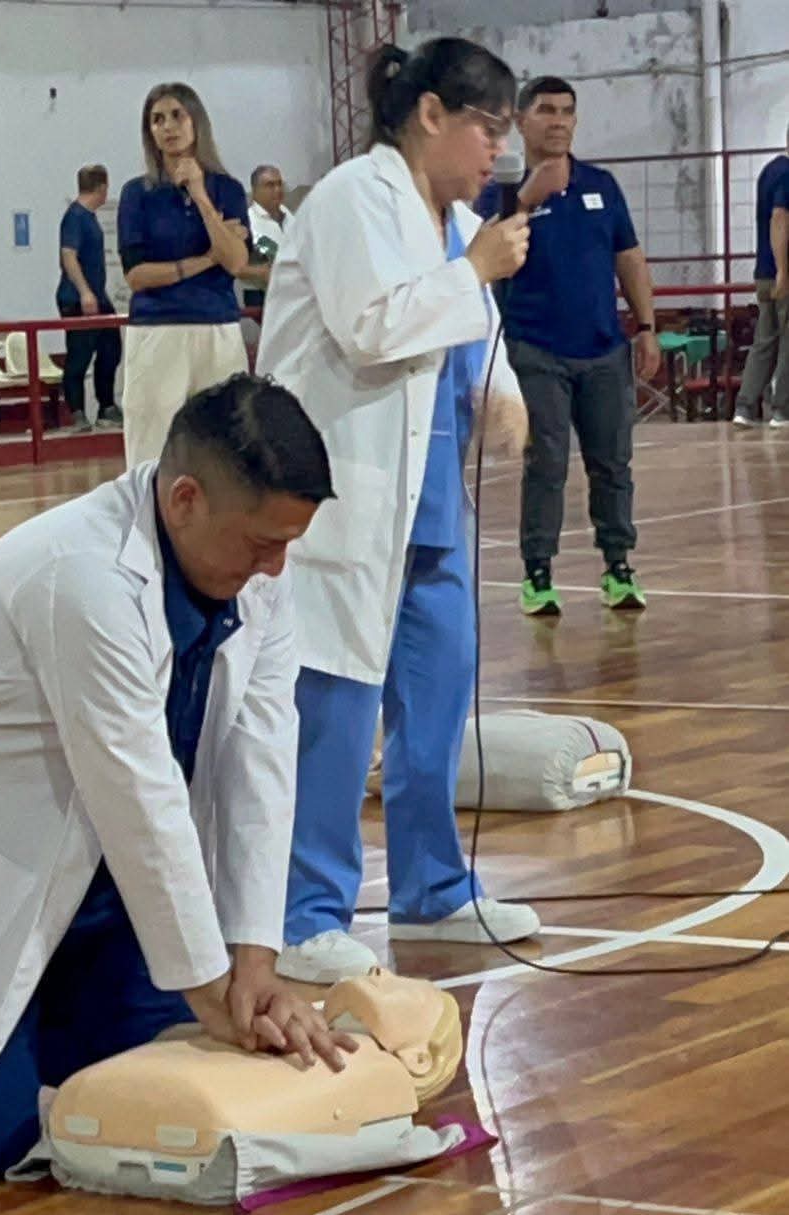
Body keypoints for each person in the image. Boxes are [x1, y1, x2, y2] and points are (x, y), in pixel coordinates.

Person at [0, 374, 355, 1182]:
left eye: (288, 544)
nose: (277, 567)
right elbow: (139, 795)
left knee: (146, 1084)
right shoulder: (79, 574)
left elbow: (262, 765)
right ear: (185, 500)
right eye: (261, 543)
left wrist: (254, 962)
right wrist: (215, 995)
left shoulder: (257, 580)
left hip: (110, 898)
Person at [257, 37, 542, 986]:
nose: (498, 151)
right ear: (430, 115)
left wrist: (503, 392)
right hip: (348, 493)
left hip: (432, 503)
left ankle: (433, 886)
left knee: (437, 694)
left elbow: (475, 332)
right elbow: (373, 325)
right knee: (335, 709)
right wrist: (476, 272)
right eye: (489, 128)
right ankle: (305, 913)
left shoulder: (457, 225)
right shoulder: (353, 198)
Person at [476, 76, 660, 617]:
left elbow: (629, 257)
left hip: (604, 350)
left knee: (613, 463)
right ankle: (538, 573)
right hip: (535, 350)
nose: (558, 121)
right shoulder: (500, 192)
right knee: (547, 464)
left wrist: (646, 325)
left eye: (567, 111)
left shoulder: (601, 185)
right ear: (521, 121)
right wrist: (526, 200)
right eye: (547, 110)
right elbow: (480, 254)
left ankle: (618, 567)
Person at [117, 83, 250, 468]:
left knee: (225, 450)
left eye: (177, 115)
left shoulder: (227, 189)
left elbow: (236, 262)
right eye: (157, 120)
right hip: (158, 330)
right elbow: (137, 276)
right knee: (151, 450)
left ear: (196, 122)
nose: (168, 127)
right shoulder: (137, 194)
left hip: (218, 329)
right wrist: (207, 259)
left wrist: (201, 194)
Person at [55, 163, 123, 432]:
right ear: (103, 187)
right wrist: (84, 292)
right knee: (79, 355)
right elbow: (68, 255)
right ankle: (77, 413)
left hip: (98, 298)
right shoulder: (74, 217)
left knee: (111, 349)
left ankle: (107, 407)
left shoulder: (90, 217)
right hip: (77, 299)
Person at [733, 128, 789, 428]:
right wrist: (784, 270)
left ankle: (745, 406)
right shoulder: (788, 174)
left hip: (764, 271)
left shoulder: (769, 171)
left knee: (764, 341)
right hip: (782, 273)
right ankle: (783, 409)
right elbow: (779, 217)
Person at [242, 164, 294, 308]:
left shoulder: (288, 215)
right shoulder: (248, 221)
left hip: (292, 289)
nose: (277, 190)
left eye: (279, 184)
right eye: (270, 185)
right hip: (262, 293)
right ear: (255, 191)